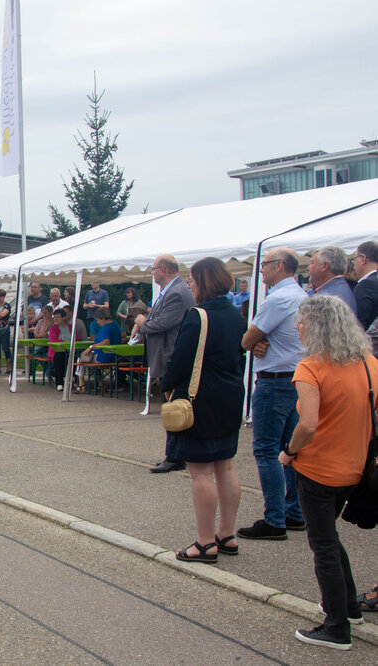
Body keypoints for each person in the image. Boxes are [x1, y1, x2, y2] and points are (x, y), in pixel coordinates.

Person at [278, 295, 378, 650]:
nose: (296, 326)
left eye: (301, 321)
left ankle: (336, 626)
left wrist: (288, 452)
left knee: (322, 546)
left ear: (316, 325)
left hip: (317, 469)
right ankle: (348, 607)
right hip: (354, 469)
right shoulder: (368, 362)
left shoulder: (311, 367)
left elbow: (308, 424)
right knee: (329, 538)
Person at [159, 258, 245, 566]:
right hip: (231, 397)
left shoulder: (197, 316)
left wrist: (166, 385)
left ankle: (205, 541)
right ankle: (226, 534)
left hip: (200, 401)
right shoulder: (237, 315)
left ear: (204, 282)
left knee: (201, 472)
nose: (190, 286)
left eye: (193, 281)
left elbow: (180, 360)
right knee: (226, 466)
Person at [235, 248, 307, 540]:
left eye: (264, 265)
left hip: (274, 380)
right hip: (296, 379)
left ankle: (275, 519)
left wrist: (258, 341)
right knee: (290, 450)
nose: (261, 270)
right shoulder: (302, 296)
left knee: (267, 451)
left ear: (279, 266)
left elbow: (246, 339)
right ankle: (294, 512)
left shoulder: (277, 298)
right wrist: (262, 341)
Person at [132, 254, 196, 474]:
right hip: (165, 354)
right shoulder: (169, 291)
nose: (152, 273)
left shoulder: (177, 292)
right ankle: (175, 453)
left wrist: (143, 322)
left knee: (174, 406)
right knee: (171, 404)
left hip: (172, 355)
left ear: (163, 269)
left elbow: (164, 322)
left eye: (153, 269)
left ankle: (176, 455)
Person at [76, 308, 123, 393]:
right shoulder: (115, 324)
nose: (97, 322)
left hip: (105, 357)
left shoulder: (106, 327)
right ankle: (99, 382)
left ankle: (81, 384)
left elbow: (106, 342)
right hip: (115, 356)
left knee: (81, 359)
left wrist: (91, 347)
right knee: (89, 360)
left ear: (102, 318)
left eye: (98, 320)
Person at [307, 246, 357, 315]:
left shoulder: (325, 299)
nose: (308, 268)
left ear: (324, 266)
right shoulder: (343, 289)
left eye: (312, 263)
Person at [352, 240, 378, 330]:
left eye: (354, 260)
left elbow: (358, 324)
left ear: (363, 259)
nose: (353, 265)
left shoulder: (366, 285)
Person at [49, 309, 73, 391]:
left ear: (64, 317)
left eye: (57, 317)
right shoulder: (53, 328)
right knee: (59, 357)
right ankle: (59, 383)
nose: (55, 319)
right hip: (57, 350)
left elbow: (76, 338)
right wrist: (66, 343)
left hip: (70, 350)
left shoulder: (70, 327)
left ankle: (76, 380)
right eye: (54, 317)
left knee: (75, 356)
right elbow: (53, 340)